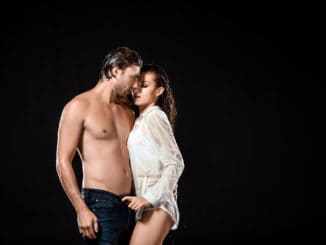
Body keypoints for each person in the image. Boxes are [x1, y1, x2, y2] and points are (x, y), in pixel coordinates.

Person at [55, 46, 143, 245]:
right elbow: (62, 161)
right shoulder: (79, 106)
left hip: (131, 204)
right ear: (115, 71)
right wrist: (81, 209)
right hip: (100, 205)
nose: (136, 85)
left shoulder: (128, 111)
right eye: (133, 77)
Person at [122, 64, 185, 245]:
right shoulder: (141, 120)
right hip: (150, 203)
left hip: (157, 204)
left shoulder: (155, 117)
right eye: (136, 84)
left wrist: (149, 199)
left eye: (144, 85)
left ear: (159, 90)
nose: (137, 90)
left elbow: (176, 162)